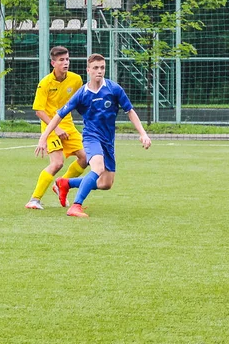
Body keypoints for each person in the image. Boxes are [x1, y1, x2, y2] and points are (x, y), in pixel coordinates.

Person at [35, 53, 152, 218]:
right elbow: (58, 116)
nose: (99, 71)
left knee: (106, 183)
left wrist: (143, 134)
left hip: (108, 140)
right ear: (88, 70)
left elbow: (130, 111)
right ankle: (76, 206)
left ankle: (65, 183)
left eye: (102, 67)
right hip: (91, 137)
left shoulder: (114, 89)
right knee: (97, 167)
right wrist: (43, 137)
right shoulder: (82, 94)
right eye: (96, 68)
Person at [26, 46, 88, 210]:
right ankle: (34, 199)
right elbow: (39, 111)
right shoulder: (45, 83)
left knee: (85, 158)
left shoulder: (76, 80)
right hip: (50, 126)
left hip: (68, 125)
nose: (65, 63)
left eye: (67, 59)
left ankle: (62, 184)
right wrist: (55, 129)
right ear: (53, 63)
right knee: (57, 163)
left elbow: (81, 102)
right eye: (61, 60)